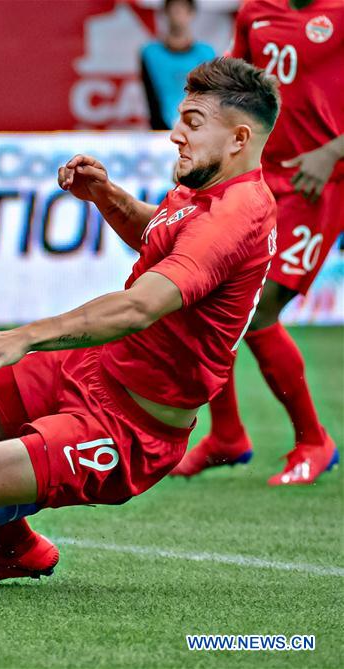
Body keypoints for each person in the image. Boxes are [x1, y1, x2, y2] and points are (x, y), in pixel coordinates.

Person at [0, 58, 280, 591]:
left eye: (193, 122)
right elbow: (159, 236)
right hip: (88, 365)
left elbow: (138, 307)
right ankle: (17, 548)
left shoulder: (235, 215)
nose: (176, 134)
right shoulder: (204, 187)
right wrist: (105, 197)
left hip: (130, 424)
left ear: (239, 137)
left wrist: (26, 335)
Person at [171, 0, 342, 485]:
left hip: (317, 184)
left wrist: (331, 152)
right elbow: (236, 81)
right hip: (257, 176)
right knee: (209, 294)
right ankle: (227, 436)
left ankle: (313, 441)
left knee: (259, 309)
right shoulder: (256, 10)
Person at [141, 0, 215, 130]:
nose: (178, 14)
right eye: (174, 9)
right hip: (161, 133)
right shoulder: (150, 54)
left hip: (198, 131)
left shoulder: (207, 53)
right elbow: (151, 97)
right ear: (165, 13)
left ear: (192, 13)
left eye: (183, 9)